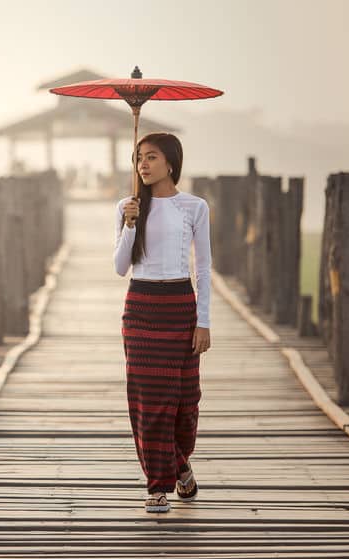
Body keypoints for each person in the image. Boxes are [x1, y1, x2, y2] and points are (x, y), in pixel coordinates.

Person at [114, 132, 211, 513]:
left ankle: (181, 461)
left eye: (151, 156)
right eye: (138, 157)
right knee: (148, 402)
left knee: (185, 401)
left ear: (171, 162)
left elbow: (203, 267)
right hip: (141, 307)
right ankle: (157, 485)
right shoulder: (128, 206)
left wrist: (203, 321)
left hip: (179, 307)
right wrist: (129, 225)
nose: (143, 163)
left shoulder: (194, 207)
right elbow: (121, 267)